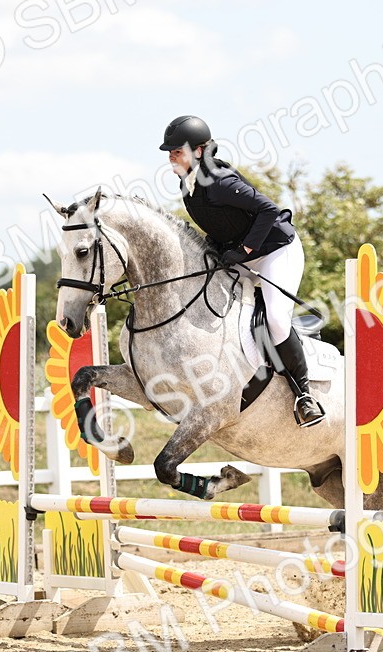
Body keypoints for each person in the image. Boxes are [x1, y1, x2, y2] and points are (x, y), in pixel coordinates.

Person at [160, 115, 326, 427]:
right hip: (242, 254)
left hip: (276, 250)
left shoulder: (220, 181)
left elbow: (268, 210)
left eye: (176, 151)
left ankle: (304, 396)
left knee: (276, 319)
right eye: (169, 152)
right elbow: (221, 222)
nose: (171, 157)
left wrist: (245, 250)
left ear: (199, 151)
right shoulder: (188, 183)